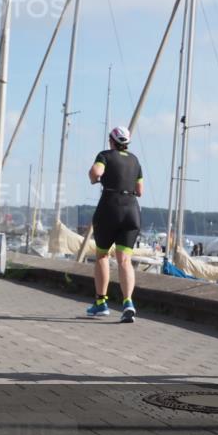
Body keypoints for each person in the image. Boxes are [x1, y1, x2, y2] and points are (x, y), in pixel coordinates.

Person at [87, 126, 143, 323]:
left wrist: (95, 177)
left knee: (102, 255)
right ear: (126, 143)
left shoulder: (105, 155)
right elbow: (139, 189)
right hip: (132, 211)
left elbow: (95, 172)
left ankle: (101, 303)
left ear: (111, 141)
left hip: (110, 208)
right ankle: (128, 302)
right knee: (124, 260)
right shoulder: (135, 160)